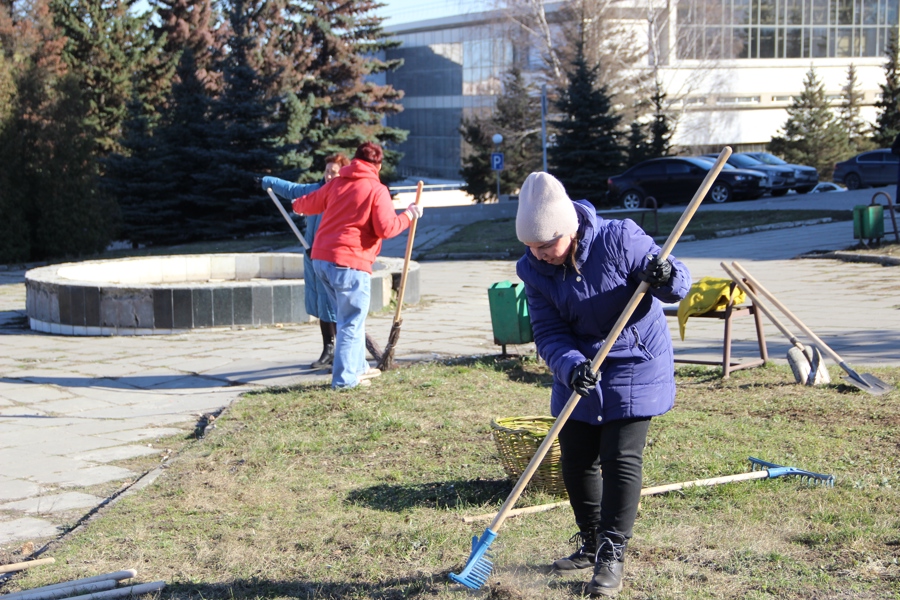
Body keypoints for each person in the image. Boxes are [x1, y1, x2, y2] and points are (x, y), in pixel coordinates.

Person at [514, 172, 690, 598]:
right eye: (531, 247)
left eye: (547, 245)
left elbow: (678, 285)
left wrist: (664, 274)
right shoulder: (534, 270)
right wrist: (571, 366)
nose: (540, 255)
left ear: (569, 229)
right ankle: (591, 541)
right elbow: (548, 332)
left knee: (619, 457)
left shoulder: (619, 239)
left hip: (634, 357)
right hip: (580, 364)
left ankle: (612, 554)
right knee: (574, 457)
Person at [290, 142, 423, 389]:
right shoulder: (376, 188)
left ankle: (359, 367)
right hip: (350, 263)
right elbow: (387, 228)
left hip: (321, 261)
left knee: (349, 318)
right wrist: (409, 215)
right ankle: (344, 380)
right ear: (378, 165)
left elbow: (307, 203)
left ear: (354, 161)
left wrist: (296, 204)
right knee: (350, 321)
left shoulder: (337, 183)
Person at [262, 154, 350, 369]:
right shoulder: (316, 190)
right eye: (327, 170)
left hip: (331, 257)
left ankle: (344, 352)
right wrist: (266, 181)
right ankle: (328, 350)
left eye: (334, 172)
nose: (329, 175)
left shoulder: (343, 195)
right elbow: (292, 190)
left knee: (333, 305)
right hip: (312, 256)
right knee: (322, 305)